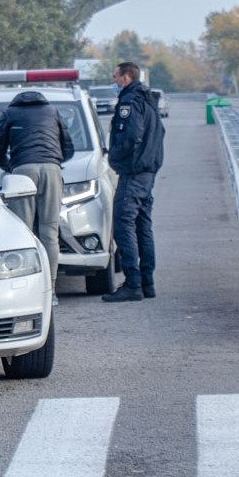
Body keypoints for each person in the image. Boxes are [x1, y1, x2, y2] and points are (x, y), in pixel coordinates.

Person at [0, 90, 74, 288]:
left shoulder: (10, 112)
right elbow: (68, 146)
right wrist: (54, 162)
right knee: (49, 231)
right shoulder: (52, 110)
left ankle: (27, 287)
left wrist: (12, 168)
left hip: (23, 170)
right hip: (52, 169)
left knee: (23, 231)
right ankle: (51, 288)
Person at [101, 61, 164, 303]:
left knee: (123, 224)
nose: (114, 81)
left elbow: (130, 136)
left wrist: (115, 158)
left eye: (115, 76)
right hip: (148, 171)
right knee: (142, 225)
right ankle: (147, 283)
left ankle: (133, 284)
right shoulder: (148, 98)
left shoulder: (130, 101)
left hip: (134, 171)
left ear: (126, 78)